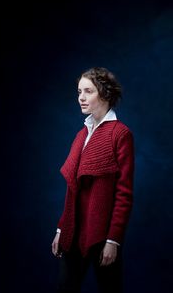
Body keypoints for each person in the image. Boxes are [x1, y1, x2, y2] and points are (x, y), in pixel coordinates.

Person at [51, 67, 135, 293]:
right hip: (73, 231)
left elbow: (124, 193)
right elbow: (73, 188)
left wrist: (113, 240)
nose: (81, 97)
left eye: (88, 91)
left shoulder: (120, 133)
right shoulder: (81, 134)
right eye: (79, 91)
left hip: (102, 235)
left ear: (105, 94)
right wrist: (61, 229)